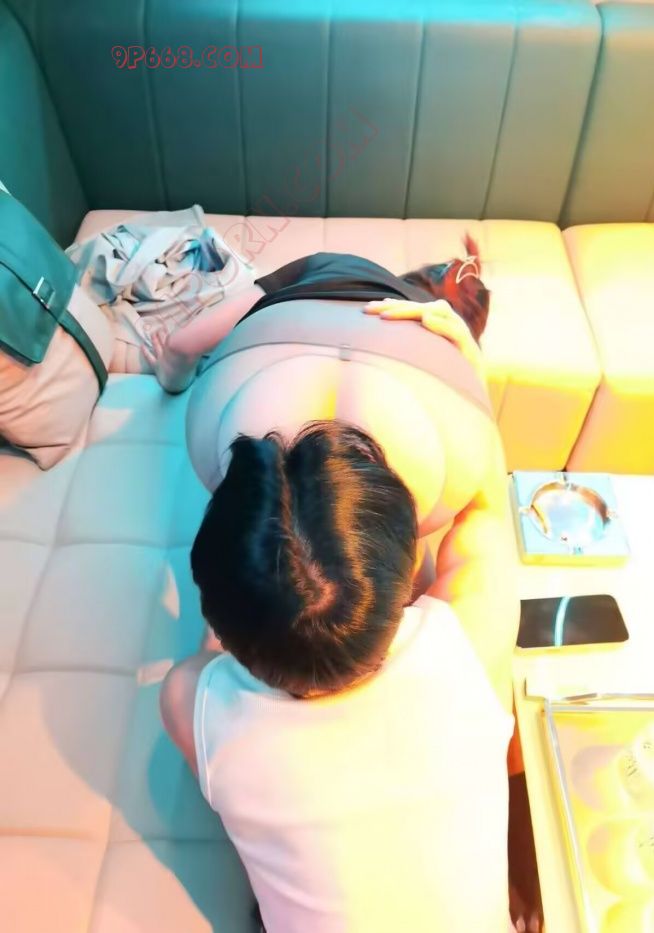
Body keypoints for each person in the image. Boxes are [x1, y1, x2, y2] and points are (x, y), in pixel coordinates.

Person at [152, 244, 531, 931]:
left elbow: (485, 515)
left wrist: (464, 373)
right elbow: (488, 517)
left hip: (395, 368)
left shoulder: (471, 649)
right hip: (264, 361)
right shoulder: (201, 708)